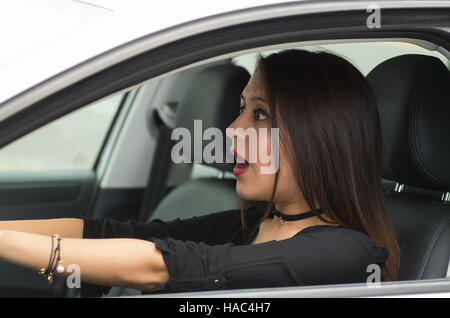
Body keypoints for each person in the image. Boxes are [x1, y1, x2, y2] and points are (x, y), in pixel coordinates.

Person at [0, 49, 400, 297]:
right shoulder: (255, 224)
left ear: (316, 138)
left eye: (258, 114)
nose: (232, 129)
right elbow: (114, 234)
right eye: (241, 108)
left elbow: (163, 265)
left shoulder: (347, 254)